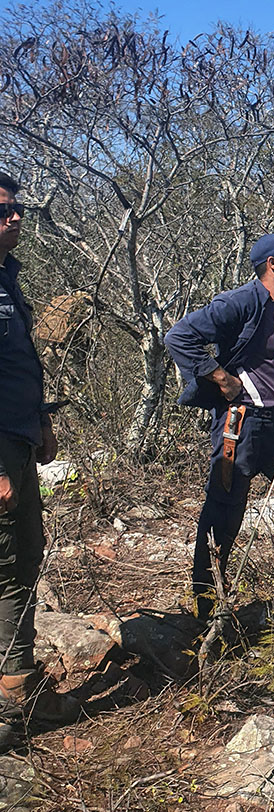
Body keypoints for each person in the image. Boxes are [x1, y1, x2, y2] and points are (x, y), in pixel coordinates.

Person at [164, 233, 274, 620]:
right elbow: (179, 336)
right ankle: (208, 608)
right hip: (242, 422)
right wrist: (219, 377)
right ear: (272, 264)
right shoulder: (241, 301)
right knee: (224, 509)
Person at [0, 172, 80, 751]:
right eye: (5, 209)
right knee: (5, 565)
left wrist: (43, 422)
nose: (17, 218)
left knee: (27, 556)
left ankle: (20, 688)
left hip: (20, 438)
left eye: (18, 208)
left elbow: (17, 363)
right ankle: (9, 706)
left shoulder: (9, 277)